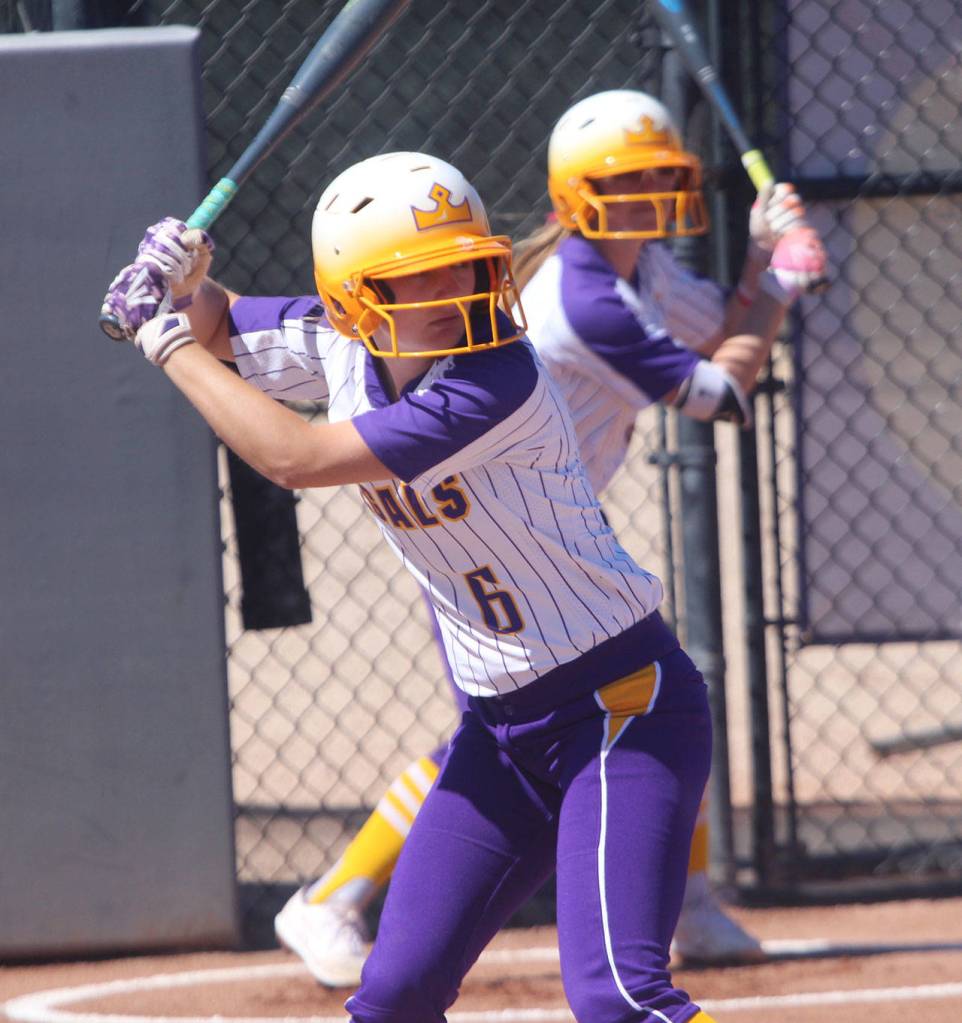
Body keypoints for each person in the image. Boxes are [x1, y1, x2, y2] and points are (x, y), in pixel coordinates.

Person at [101, 149, 799, 1022]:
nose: (457, 288)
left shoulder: (492, 378)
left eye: (466, 263)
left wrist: (161, 335)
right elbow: (226, 326)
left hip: (621, 705)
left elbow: (294, 456)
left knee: (618, 997)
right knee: (394, 996)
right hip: (501, 731)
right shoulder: (342, 343)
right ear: (358, 299)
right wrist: (186, 285)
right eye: (420, 277)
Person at [265, 91, 826, 983]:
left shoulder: (640, 272)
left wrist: (761, 261)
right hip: (491, 540)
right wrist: (784, 288)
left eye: (658, 177)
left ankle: (686, 895)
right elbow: (720, 393)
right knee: (504, 727)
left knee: (580, 712)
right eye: (624, 181)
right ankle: (336, 894)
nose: (646, 196)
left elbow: (720, 330)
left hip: (547, 545)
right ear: (574, 195)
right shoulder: (584, 297)